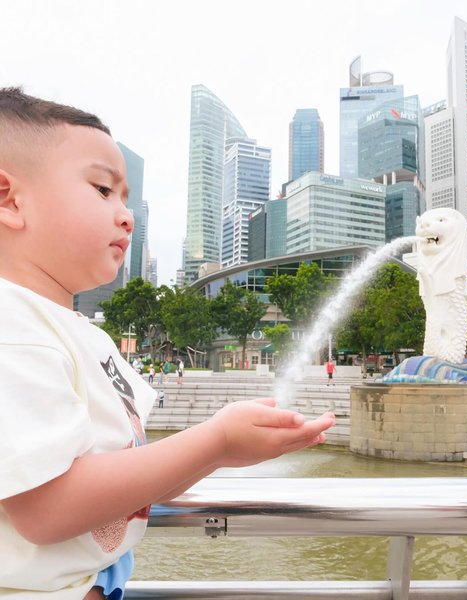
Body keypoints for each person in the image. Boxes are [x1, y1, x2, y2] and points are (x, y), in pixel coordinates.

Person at [0, 87, 335, 600]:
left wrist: (220, 452)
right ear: (10, 199)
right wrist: (215, 440)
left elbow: (133, 477)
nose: (126, 215)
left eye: (126, 199)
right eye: (101, 190)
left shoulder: (82, 334)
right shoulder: (12, 325)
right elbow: (47, 509)